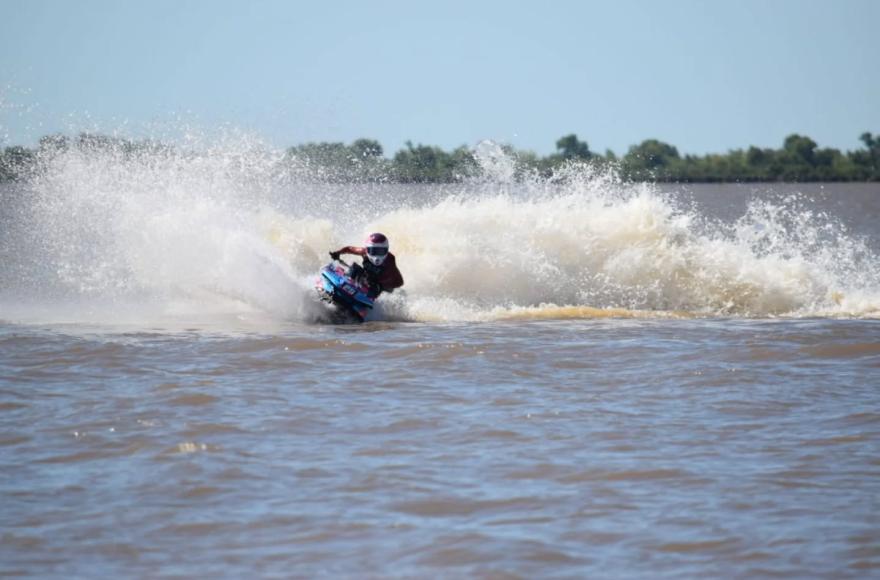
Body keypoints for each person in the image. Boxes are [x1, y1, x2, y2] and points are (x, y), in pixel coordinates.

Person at [330, 232, 404, 299]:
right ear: (367, 249)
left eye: (380, 251)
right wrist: (338, 253)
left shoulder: (390, 260)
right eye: (373, 251)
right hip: (367, 277)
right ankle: (344, 289)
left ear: (386, 250)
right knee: (354, 269)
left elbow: (399, 282)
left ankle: (367, 303)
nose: (377, 256)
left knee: (374, 288)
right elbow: (349, 249)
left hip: (381, 285)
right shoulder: (364, 252)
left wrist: (380, 285)